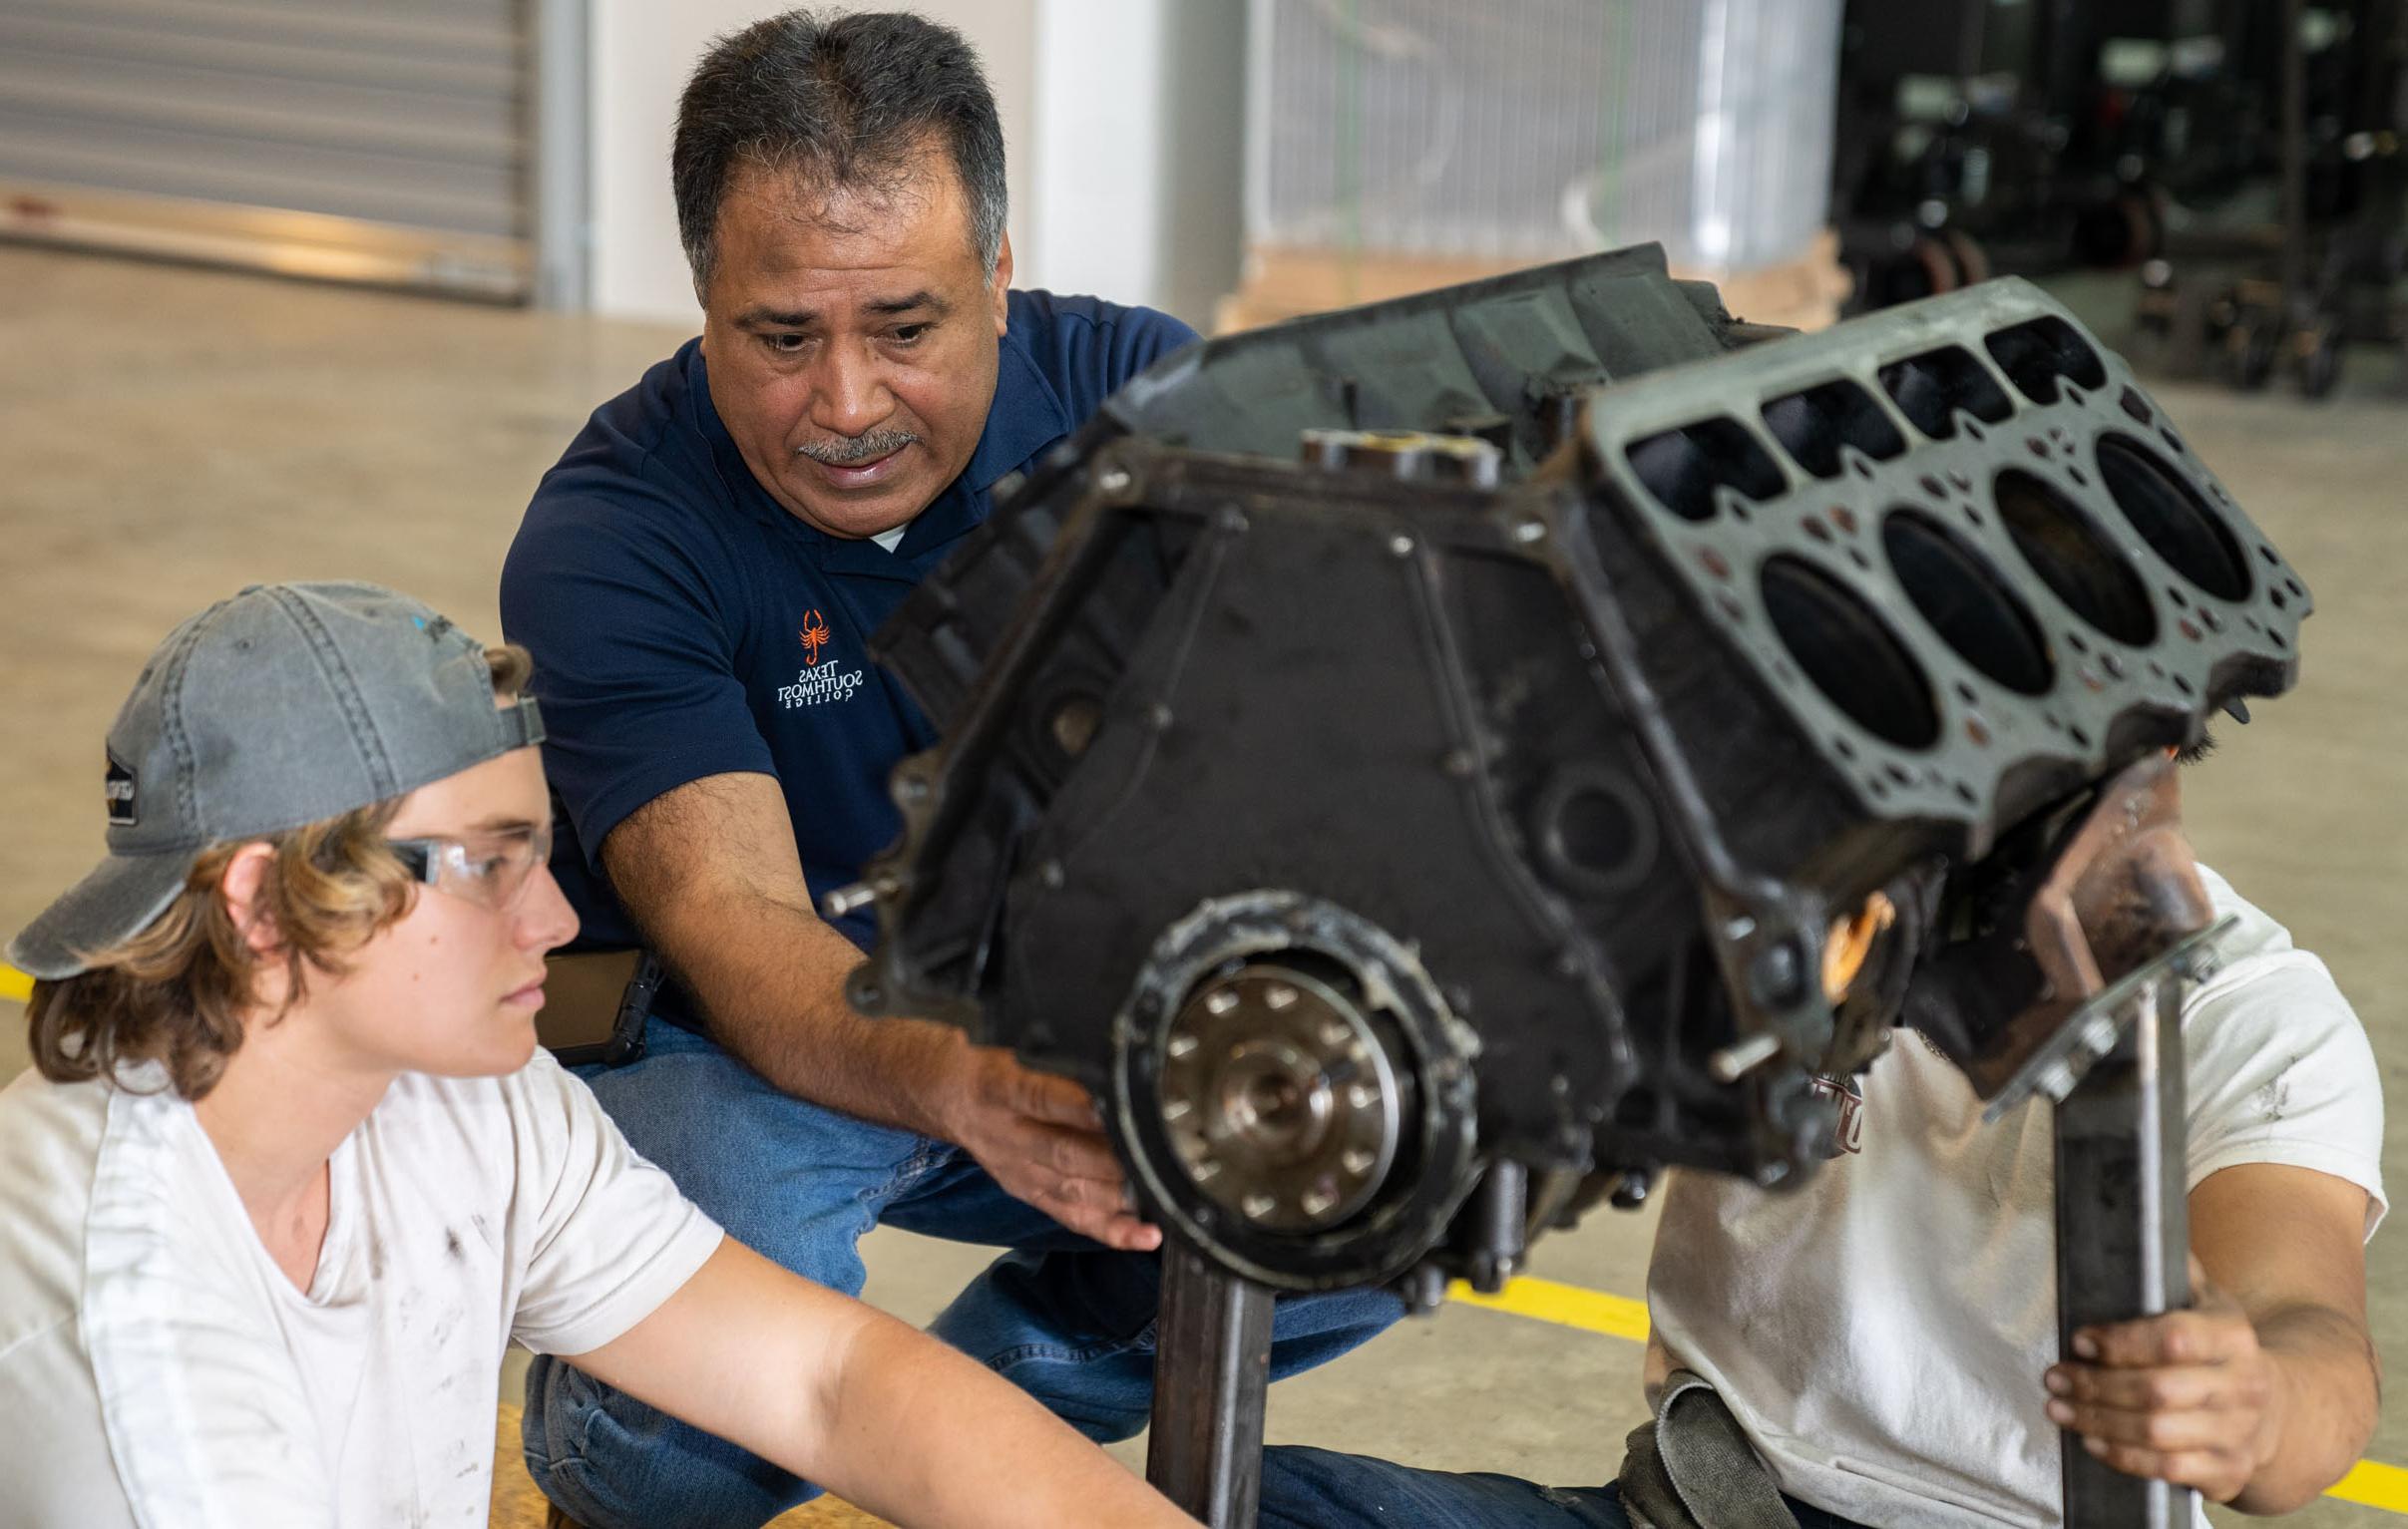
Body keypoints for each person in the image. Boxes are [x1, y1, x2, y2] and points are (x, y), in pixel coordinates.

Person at [498, 12, 1396, 1527]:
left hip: (1047, 1014)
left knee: (1368, 1183)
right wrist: (961, 1084)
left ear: (996, 278)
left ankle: (933, 1430)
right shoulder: (609, 535)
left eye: (904, 330)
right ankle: (631, 1434)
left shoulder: (1145, 415)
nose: (845, 407)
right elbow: (736, 926)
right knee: (679, 1424)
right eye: (781, 338)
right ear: (704, 301)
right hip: (747, 1046)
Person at [0, 581, 1200, 1529]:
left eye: (541, 852)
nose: (557, 922)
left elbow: (824, 1382)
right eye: (485, 864)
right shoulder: (135, 1348)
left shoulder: (465, 1095)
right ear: (263, 904)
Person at [1251, 791, 2384, 1527]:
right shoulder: (1773, 904)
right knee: (1201, 1509)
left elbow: (2308, 1333)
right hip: (1695, 1506)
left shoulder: (2243, 1011)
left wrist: (2257, 1407)